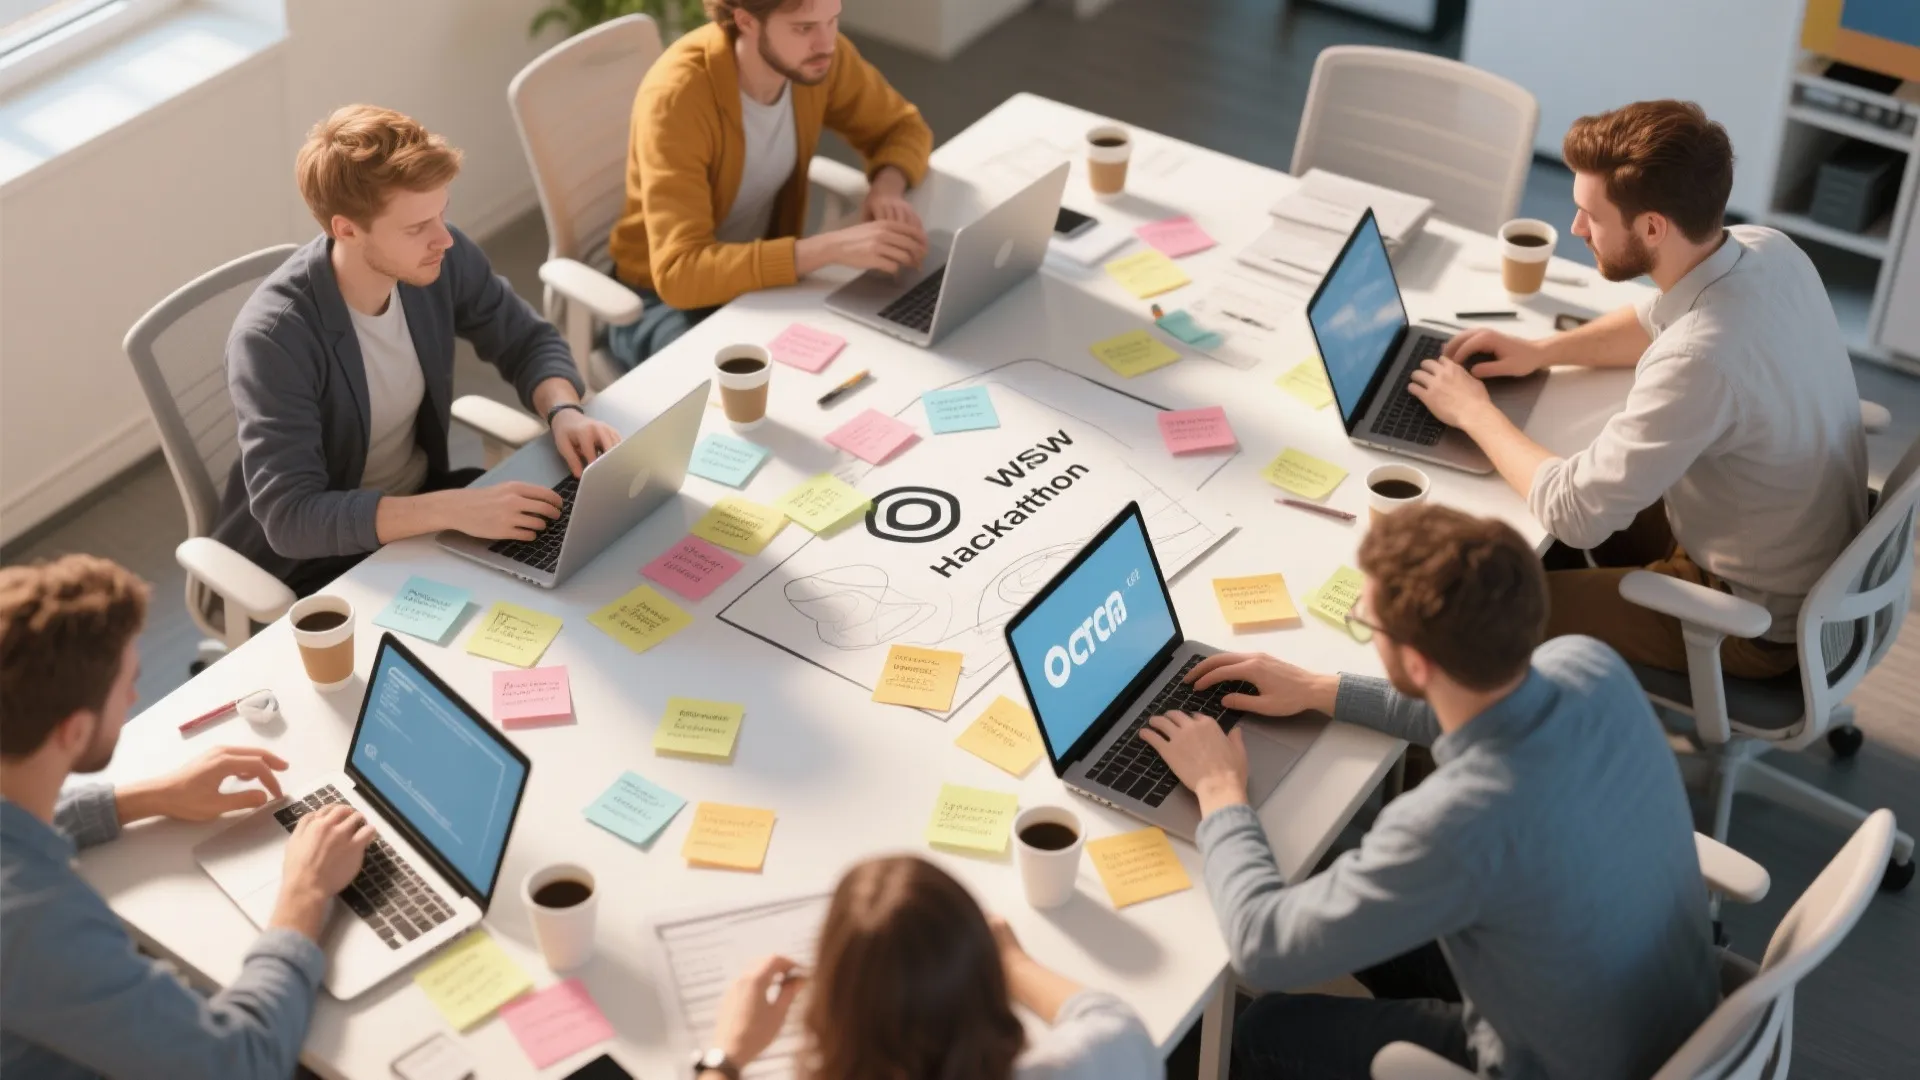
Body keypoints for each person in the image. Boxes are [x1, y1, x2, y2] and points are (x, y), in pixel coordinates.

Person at [1140, 506, 1718, 1079]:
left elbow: (1260, 945)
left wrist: (1219, 790)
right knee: (1334, 876)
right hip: (1672, 1014)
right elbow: (1479, 705)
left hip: (1562, 1065)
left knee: (1266, 1029)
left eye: (1370, 618)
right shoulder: (1588, 665)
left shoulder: (1455, 823)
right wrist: (1320, 689)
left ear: (1415, 661)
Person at [1406, 99, 1867, 680]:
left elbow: (1573, 513)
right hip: (1794, 550)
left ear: (1652, 226)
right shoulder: (1766, 250)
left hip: (1746, 615)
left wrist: (1473, 412)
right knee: (1556, 490)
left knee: (1481, 614)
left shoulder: (1700, 358)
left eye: (1590, 216)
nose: (1576, 228)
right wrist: (1543, 351)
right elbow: (1656, 316)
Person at [217, 105, 623, 597]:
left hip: (422, 504)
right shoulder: (273, 340)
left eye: (442, 213)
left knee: (587, 558)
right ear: (346, 229)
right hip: (320, 561)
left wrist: (564, 410)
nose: (443, 239)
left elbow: (526, 338)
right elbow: (291, 517)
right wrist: (454, 509)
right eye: (416, 227)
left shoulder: (434, 259)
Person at [0, 555, 373, 1078]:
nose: (134, 697)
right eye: (128, 683)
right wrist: (305, 893)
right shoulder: (35, 922)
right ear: (74, 733)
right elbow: (240, 1062)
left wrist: (150, 796)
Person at [606, 0, 934, 369]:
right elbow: (680, 272)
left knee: (861, 353)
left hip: (756, 278)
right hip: (657, 299)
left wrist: (887, 185)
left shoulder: (819, 58)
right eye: (803, 28)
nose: (826, 42)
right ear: (746, 21)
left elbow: (902, 127)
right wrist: (828, 248)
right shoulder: (678, 97)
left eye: (833, 20)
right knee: (725, 392)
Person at [695, 855, 1156, 1080]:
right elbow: (1111, 1019)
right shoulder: (1096, 1061)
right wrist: (1013, 961)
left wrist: (726, 1056)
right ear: (984, 985)